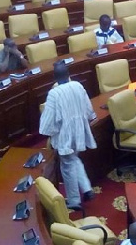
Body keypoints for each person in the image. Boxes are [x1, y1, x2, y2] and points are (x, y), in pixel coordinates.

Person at [39, 63, 97, 209]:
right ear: (68, 75)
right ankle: (87, 188)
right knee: (74, 159)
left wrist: (51, 134)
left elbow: (47, 123)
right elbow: (89, 109)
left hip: (64, 135)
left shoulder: (54, 93)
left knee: (67, 166)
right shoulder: (77, 85)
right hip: (79, 132)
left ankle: (74, 201)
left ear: (55, 78)